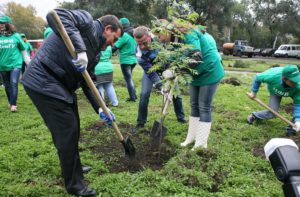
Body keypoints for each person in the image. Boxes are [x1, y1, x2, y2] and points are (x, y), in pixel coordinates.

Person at [21, 8, 122, 196]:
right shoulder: (86, 22)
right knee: (67, 130)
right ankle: (75, 185)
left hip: (60, 87)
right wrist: (81, 50)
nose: (111, 45)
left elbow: (88, 81)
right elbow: (55, 16)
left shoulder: (97, 54)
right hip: (43, 81)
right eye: (114, 38)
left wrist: (101, 108)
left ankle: (73, 168)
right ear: (107, 28)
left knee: (73, 127)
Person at [180, 25, 224, 150]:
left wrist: (181, 69)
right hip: (195, 73)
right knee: (194, 104)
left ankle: (201, 143)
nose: (160, 39)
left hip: (210, 71)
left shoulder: (190, 34)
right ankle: (191, 137)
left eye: (160, 35)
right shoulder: (176, 40)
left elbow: (196, 56)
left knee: (204, 106)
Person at [133, 26, 186, 130]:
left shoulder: (161, 38)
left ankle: (181, 118)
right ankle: (140, 123)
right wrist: (160, 86)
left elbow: (174, 51)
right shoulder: (139, 53)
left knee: (176, 93)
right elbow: (151, 72)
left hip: (168, 68)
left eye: (144, 42)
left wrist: (173, 69)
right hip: (151, 70)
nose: (142, 46)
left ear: (149, 36)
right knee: (144, 94)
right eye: (139, 44)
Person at [246, 65, 300, 135]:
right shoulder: (272, 76)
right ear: (284, 79)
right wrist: (254, 92)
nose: (296, 82)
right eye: (293, 81)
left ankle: (293, 127)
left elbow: (298, 104)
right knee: (272, 113)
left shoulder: (298, 85)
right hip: (275, 91)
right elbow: (257, 77)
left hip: (293, 92)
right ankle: (254, 115)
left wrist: (298, 120)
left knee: (298, 117)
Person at [0, 15, 30, 112]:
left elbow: (23, 50)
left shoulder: (16, 36)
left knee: (13, 83)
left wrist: (28, 63)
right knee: (7, 85)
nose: (0, 25)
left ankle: (13, 105)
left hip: (15, 64)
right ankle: (10, 101)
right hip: (3, 65)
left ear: (8, 24)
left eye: (2, 23)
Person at [112, 18, 137, 102]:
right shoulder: (134, 34)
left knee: (128, 79)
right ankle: (134, 95)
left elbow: (115, 47)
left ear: (121, 26)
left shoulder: (124, 35)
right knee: (129, 78)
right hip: (134, 60)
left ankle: (132, 97)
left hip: (126, 60)